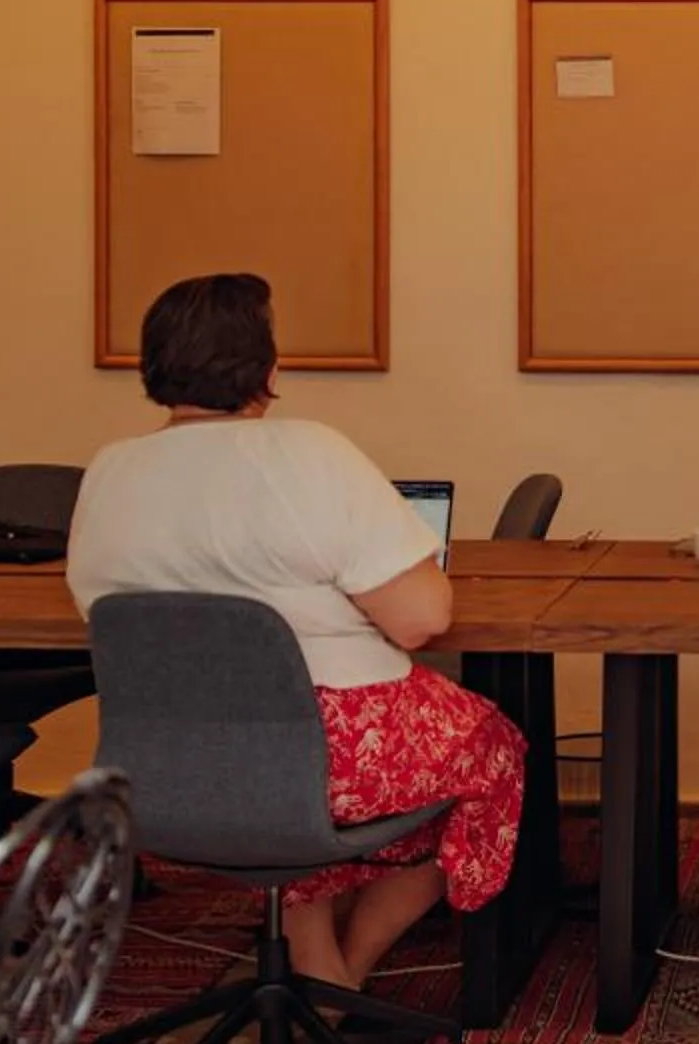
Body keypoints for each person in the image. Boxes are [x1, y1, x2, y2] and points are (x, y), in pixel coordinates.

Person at [66, 272, 523, 992]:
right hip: (324, 749)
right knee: (490, 748)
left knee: (286, 770)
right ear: (266, 368)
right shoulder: (308, 454)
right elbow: (423, 618)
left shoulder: (109, 472)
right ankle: (347, 973)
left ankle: (315, 961)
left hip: (166, 755)